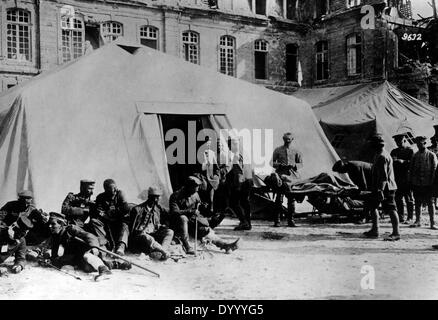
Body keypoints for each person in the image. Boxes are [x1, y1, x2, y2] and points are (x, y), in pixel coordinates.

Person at [169, 176, 240, 254]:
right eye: (196, 187)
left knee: (205, 230)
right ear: (189, 187)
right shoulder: (176, 196)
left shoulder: (195, 194)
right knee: (183, 218)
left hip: (192, 221)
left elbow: (198, 207)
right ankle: (187, 246)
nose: (198, 189)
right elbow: (174, 212)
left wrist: (203, 207)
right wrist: (189, 211)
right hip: (179, 224)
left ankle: (224, 245)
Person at [42, 212, 112, 279]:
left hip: (92, 250)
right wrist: (50, 260)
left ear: (61, 224)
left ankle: (104, 270)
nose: (50, 226)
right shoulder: (56, 236)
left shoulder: (71, 229)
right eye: (49, 224)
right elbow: (55, 255)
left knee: (87, 256)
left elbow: (90, 236)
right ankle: (110, 264)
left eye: (53, 224)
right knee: (86, 268)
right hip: (77, 256)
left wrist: (94, 247)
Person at [363, 134, 400, 241]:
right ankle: (375, 230)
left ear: (377, 145)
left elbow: (384, 177)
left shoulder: (382, 156)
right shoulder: (379, 155)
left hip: (386, 187)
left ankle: (396, 233)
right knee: (373, 206)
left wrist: (380, 190)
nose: (370, 146)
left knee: (391, 209)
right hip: (380, 187)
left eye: (372, 144)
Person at [129, 187, 173, 261]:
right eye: (155, 197)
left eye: (158, 197)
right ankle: (163, 251)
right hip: (141, 237)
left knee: (170, 232)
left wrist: (163, 226)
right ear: (150, 197)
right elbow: (134, 230)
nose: (157, 199)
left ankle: (162, 251)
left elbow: (168, 216)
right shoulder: (137, 209)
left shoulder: (158, 208)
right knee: (147, 237)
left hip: (154, 233)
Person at [271, 132, 303, 227]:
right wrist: (279, 165)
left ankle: (291, 220)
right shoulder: (278, 150)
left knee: (291, 199)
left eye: (289, 139)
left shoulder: (296, 151)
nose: (287, 141)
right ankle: (277, 221)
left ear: (292, 140)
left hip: (292, 178)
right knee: (278, 199)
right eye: (285, 139)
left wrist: (294, 165)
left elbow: (301, 164)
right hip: (280, 177)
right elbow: (271, 163)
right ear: (283, 139)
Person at [91, 179, 130, 255]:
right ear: (106, 189)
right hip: (106, 221)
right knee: (94, 222)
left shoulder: (120, 194)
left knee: (124, 225)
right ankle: (104, 245)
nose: (116, 189)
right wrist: (105, 215)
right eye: (113, 188)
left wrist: (111, 213)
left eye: (116, 187)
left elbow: (125, 208)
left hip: (119, 220)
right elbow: (99, 211)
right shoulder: (101, 197)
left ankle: (121, 247)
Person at [409, 136, 438, 229]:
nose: (418, 146)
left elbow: (435, 170)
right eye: (417, 144)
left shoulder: (431, 155)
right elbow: (411, 169)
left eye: (420, 144)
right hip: (417, 183)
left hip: (428, 184)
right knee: (417, 202)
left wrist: (433, 183)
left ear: (425, 143)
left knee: (430, 203)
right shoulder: (415, 155)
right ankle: (418, 221)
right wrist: (412, 181)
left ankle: (432, 222)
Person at [226, 137, 253, 231]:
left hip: (242, 181)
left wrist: (238, 186)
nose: (230, 147)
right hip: (249, 179)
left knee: (233, 203)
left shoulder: (236, 156)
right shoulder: (245, 153)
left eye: (231, 145)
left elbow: (239, 172)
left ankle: (244, 221)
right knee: (245, 202)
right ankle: (248, 223)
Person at [390, 133, 414, 223]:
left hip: (406, 178)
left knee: (408, 198)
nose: (398, 143)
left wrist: (403, 161)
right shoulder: (394, 151)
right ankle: (401, 216)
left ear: (404, 140)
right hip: (397, 178)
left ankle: (410, 217)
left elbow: (412, 164)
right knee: (398, 198)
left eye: (399, 141)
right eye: (396, 142)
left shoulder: (410, 151)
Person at [201, 137, 220, 214]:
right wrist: (206, 161)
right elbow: (202, 168)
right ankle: (204, 211)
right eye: (207, 142)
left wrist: (217, 174)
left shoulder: (212, 153)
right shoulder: (202, 152)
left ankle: (211, 210)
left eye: (209, 142)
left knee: (211, 196)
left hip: (211, 175)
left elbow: (216, 165)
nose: (208, 144)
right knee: (204, 194)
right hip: (204, 175)